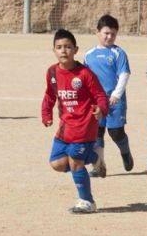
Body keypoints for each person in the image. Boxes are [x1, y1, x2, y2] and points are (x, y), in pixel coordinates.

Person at [41, 29, 108, 214]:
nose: (64, 51)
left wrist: (101, 109)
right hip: (65, 127)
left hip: (85, 125)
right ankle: (95, 157)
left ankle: (87, 201)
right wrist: (46, 114)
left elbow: (100, 95)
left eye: (68, 47)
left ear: (76, 49)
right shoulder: (52, 72)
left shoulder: (85, 74)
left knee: (75, 162)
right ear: (54, 50)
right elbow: (49, 95)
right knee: (57, 164)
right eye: (59, 47)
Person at [84, 15, 134, 178]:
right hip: (96, 102)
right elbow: (85, 77)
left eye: (113, 34)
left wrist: (116, 95)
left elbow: (124, 74)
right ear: (97, 32)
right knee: (96, 132)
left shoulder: (118, 53)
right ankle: (99, 166)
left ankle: (125, 153)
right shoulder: (89, 55)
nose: (109, 37)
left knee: (116, 132)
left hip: (114, 101)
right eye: (106, 33)